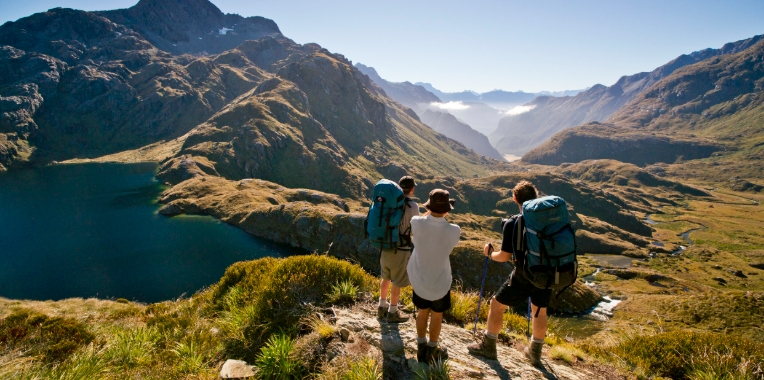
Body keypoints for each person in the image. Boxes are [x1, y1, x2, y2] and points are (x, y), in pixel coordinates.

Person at [467, 180, 548, 366]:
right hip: (547, 273)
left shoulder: (513, 222)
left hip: (524, 274)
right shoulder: (545, 219)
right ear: (535, 197)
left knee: (496, 305)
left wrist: (489, 253)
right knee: (539, 310)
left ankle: (488, 346)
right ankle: (535, 353)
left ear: (514, 199)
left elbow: (504, 257)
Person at [407, 189, 461, 363]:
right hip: (440, 282)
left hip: (420, 280)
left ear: (429, 207)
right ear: (447, 210)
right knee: (437, 315)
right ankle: (432, 347)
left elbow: (420, 224)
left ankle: (421, 345)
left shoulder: (416, 222)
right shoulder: (454, 230)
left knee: (422, 312)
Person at [378, 176, 420, 323]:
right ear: (412, 189)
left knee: (386, 277)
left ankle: (381, 307)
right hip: (401, 249)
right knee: (397, 281)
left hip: (385, 245)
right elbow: (416, 228)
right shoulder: (413, 206)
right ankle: (393, 312)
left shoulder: (389, 202)